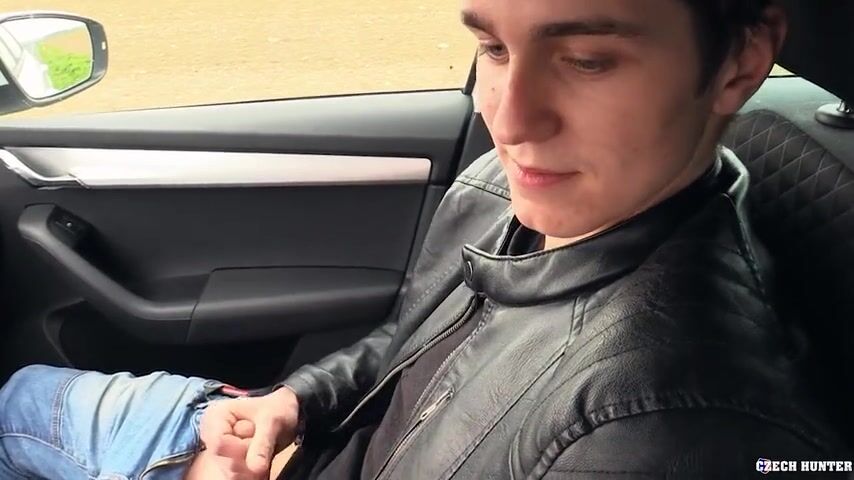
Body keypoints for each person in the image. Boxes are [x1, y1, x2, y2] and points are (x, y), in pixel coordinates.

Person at [0, 0, 848, 478]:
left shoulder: (664, 430)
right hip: (292, 447)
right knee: (15, 398)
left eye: (588, 59)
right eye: (492, 47)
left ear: (741, 63)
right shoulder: (510, 194)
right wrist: (292, 403)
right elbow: (406, 348)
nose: (509, 117)